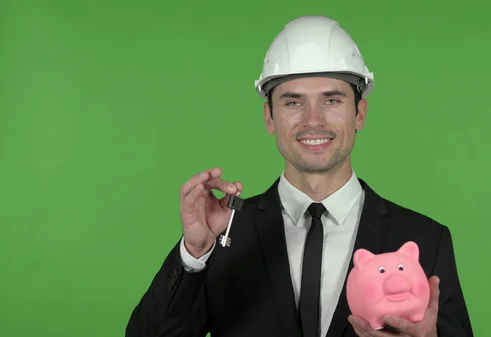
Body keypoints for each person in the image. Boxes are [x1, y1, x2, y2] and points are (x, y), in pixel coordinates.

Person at [125, 15, 473, 337]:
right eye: (293, 102)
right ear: (269, 117)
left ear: (360, 113)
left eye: (332, 100)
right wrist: (194, 252)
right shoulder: (223, 234)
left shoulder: (424, 239)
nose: (313, 121)